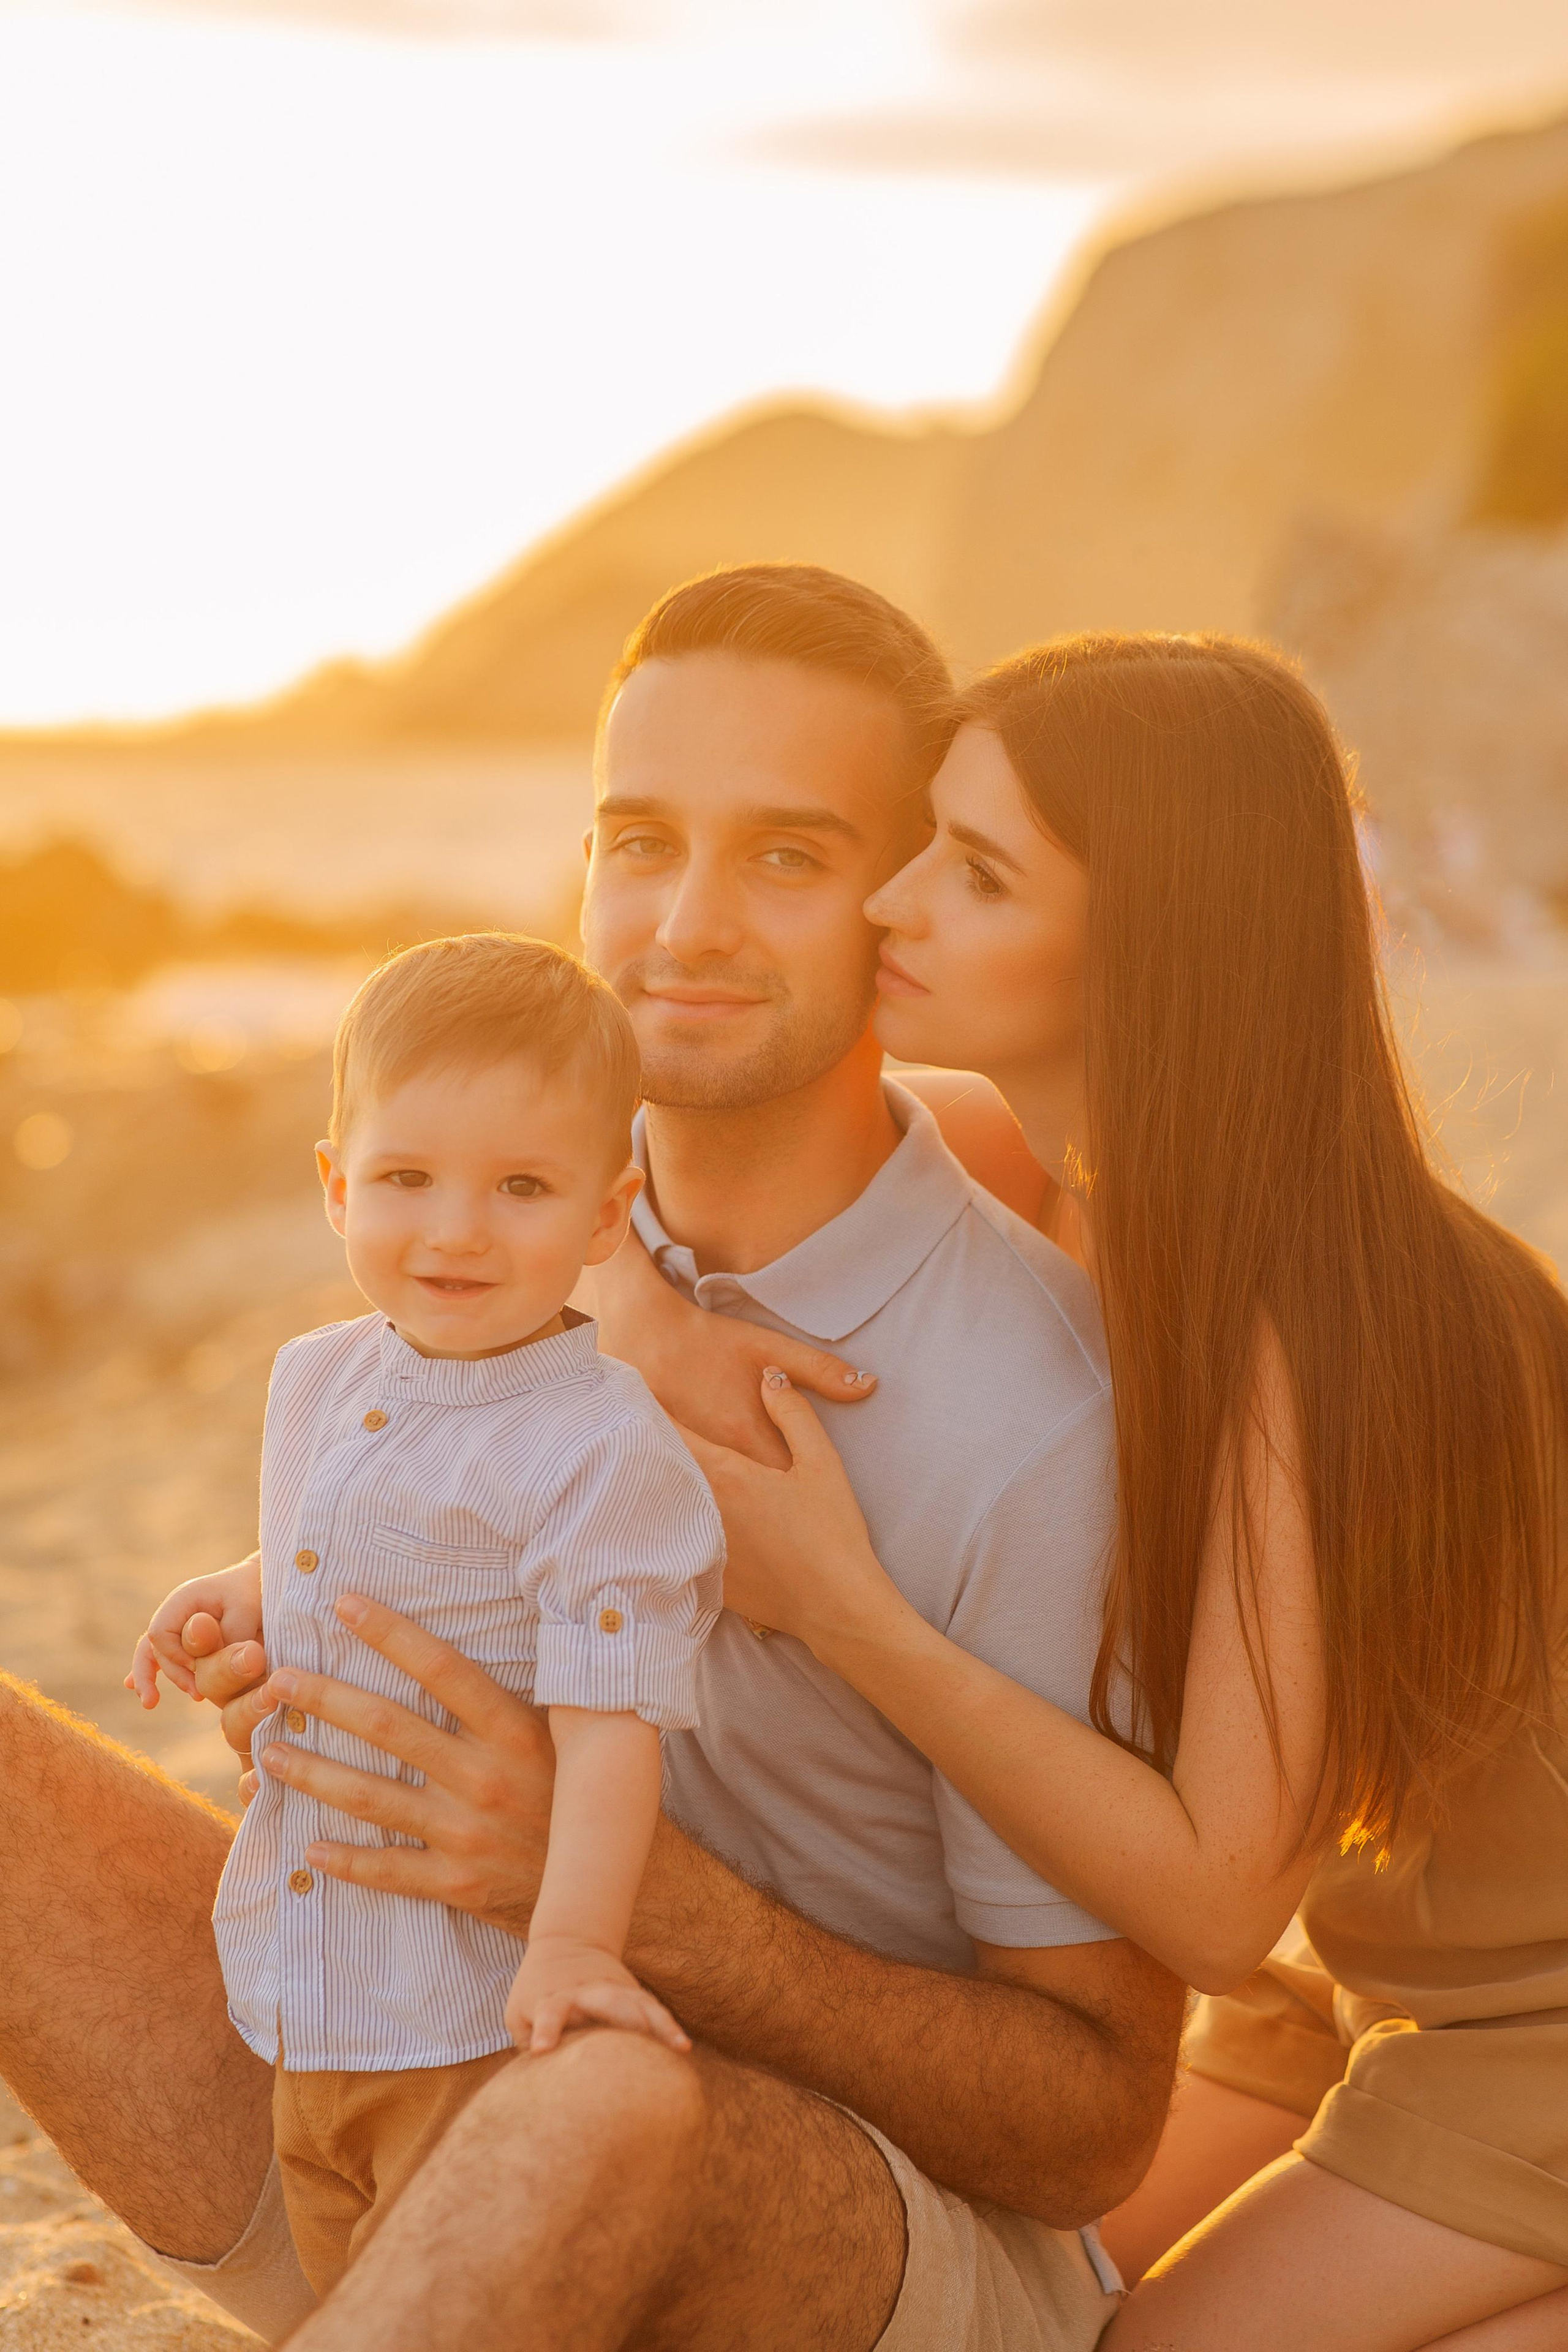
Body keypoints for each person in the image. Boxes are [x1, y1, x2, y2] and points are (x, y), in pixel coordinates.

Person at [0, 566, 1183, 2352]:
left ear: (906, 903)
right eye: (640, 841)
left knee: (603, 2101)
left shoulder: (1027, 1406)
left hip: (853, 2233)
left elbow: (1096, 2123)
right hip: (383, 2085)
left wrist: (627, 1898)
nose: (682, 925)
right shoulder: (516, 1235)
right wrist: (311, 1682)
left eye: (787, 856)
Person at [657, 634, 1568, 2352]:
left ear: (1152, 939)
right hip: (1357, 1994)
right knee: (1024, 2276)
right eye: (921, 836)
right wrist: (634, 1310)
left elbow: (1221, 1902)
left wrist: (843, 1611)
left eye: (978, 875)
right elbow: (638, 1155)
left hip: (1532, 2027)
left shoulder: (1331, 1320)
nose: (891, 904)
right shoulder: (1030, 1168)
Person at [125, 933, 722, 2294]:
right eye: (405, 1179)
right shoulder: (319, 1375)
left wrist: (572, 1945)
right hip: (309, 1993)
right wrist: (247, 1585)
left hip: (464, 2009)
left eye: (520, 1186)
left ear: (602, 1213)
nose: (455, 1229)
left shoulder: (596, 1449)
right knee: (352, 2295)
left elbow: (613, 1723)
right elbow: (347, 1541)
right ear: (336, 1187)